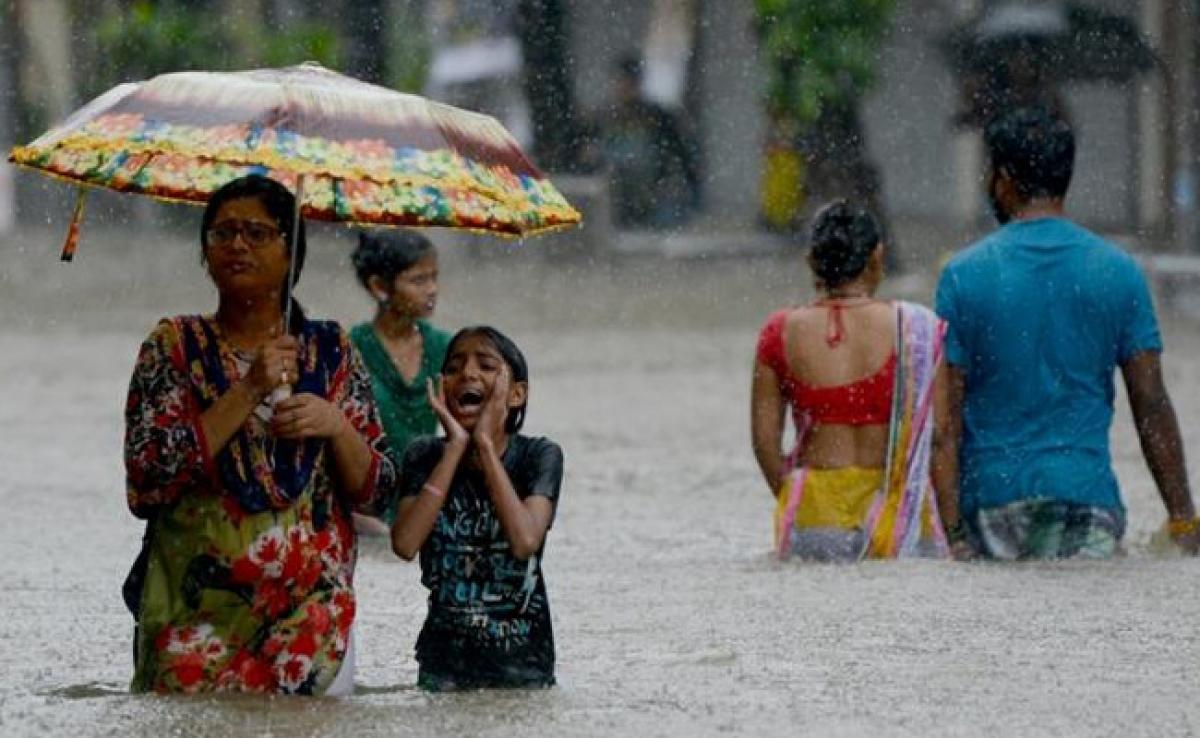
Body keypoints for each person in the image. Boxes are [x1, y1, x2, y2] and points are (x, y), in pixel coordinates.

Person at [123, 174, 397, 694]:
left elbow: (379, 488)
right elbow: (147, 477)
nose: (236, 245)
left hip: (312, 618)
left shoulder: (331, 350)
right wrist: (248, 388)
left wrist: (336, 427)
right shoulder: (174, 346)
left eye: (255, 232)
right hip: (193, 615)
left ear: (291, 250)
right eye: (221, 234)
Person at [935, 106, 1200, 559]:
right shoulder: (1119, 272)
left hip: (992, 507)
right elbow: (1151, 405)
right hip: (1087, 502)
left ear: (1003, 179)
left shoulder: (963, 276)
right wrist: (1184, 519)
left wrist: (953, 533)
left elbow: (945, 423)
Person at [751, 201, 958, 561]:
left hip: (815, 511)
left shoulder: (780, 332)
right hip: (898, 512)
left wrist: (793, 496)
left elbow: (764, 442)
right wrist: (954, 530)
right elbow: (940, 438)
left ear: (811, 260)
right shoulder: (917, 330)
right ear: (877, 256)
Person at [390, 327, 564, 690]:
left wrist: (484, 444)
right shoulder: (424, 455)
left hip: (522, 668)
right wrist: (454, 448)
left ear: (516, 394)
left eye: (485, 365)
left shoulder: (538, 456)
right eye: (454, 367)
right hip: (443, 668)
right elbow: (405, 543)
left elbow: (524, 539)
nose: (467, 374)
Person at [349, 230, 451, 531]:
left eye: (434, 278)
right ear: (380, 287)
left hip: (423, 500)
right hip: (366, 512)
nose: (432, 290)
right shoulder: (349, 350)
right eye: (418, 280)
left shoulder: (446, 349)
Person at [586, 55, 700, 228]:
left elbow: (679, 156)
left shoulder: (656, 117)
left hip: (652, 197)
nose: (624, 88)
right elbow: (586, 156)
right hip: (615, 201)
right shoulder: (603, 118)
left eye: (629, 83)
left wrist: (673, 183)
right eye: (620, 82)